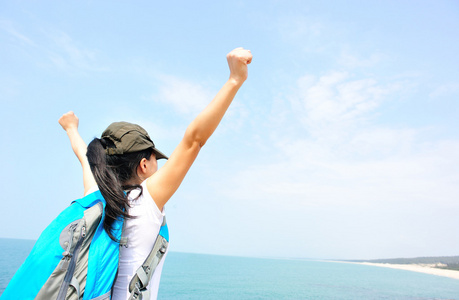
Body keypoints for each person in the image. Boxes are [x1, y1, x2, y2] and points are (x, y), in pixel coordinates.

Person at [58, 47, 252, 300]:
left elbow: (84, 157)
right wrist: (235, 80)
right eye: (155, 158)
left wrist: (71, 129)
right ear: (143, 165)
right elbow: (194, 140)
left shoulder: (95, 196)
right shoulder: (144, 201)